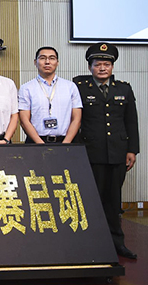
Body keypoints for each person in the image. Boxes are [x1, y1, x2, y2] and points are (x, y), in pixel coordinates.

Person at [73, 43, 139, 259]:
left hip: (118, 153)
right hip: (91, 153)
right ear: (90, 67)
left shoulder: (124, 89)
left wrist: (132, 150)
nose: (102, 68)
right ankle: (92, 244)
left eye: (106, 64)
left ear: (112, 66)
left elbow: (131, 121)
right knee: (92, 200)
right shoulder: (80, 87)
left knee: (114, 201)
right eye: (97, 64)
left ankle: (117, 244)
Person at [18, 46, 82, 144]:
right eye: (42, 58)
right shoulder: (26, 88)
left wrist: (66, 143)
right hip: (36, 142)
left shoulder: (70, 86)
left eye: (52, 58)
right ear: (35, 62)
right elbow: (24, 120)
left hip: (65, 141)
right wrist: (40, 144)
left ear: (57, 62)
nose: (47, 62)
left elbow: (76, 119)